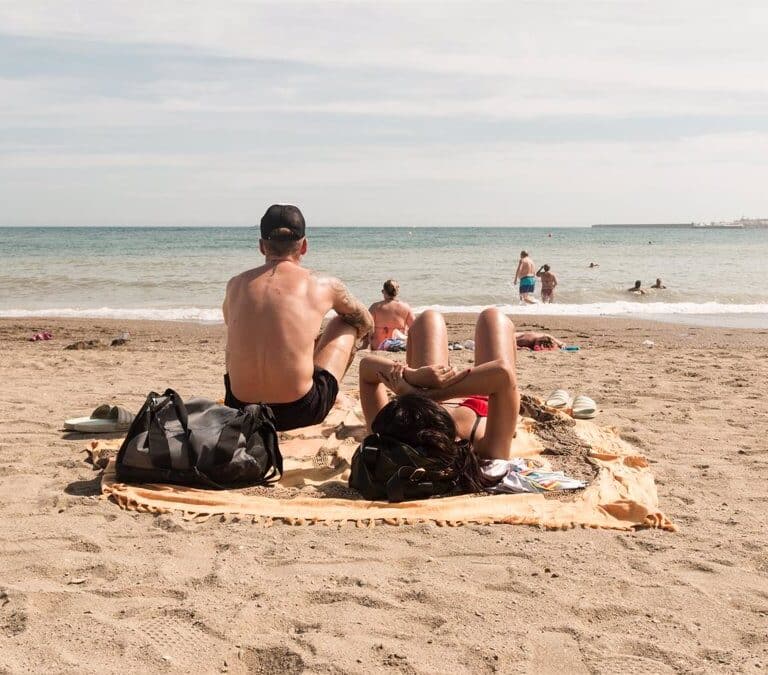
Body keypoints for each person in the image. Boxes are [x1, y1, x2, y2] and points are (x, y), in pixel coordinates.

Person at [223, 204, 373, 431]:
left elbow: (231, 323)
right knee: (344, 322)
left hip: (240, 408)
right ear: (304, 247)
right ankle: (331, 392)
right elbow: (366, 321)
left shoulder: (235, 284)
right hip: (300, 410)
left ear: (262, 247)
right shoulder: (324, 284)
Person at [359, 308, 520, 492]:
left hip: (432, 388)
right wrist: (425, 396)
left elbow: (366, 369)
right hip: (492, 394)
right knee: (493, 317)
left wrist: (414, 377)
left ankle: (427, 387)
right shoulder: (486, 450)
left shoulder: (390, 438)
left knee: (428, 319)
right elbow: (503, 375)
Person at [368, 279, 415, 350]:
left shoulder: (375, 307)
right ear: (397, 292)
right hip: (399, 345)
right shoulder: (405, 307)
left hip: (378, 346)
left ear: (383, 291)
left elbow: (367, 328)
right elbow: (414, 328)